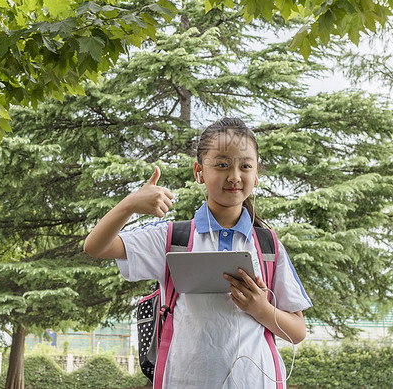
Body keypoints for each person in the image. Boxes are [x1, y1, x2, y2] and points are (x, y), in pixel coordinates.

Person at [83, 117, 312, 389]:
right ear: (199, 172)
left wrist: (260, 308)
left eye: (246, 166)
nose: (235, 176)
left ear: (256, 174)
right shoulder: (173, 238)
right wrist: (130, 204)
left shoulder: (268, 245)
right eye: (222, 164)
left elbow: (297, 332)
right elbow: (95, 247)